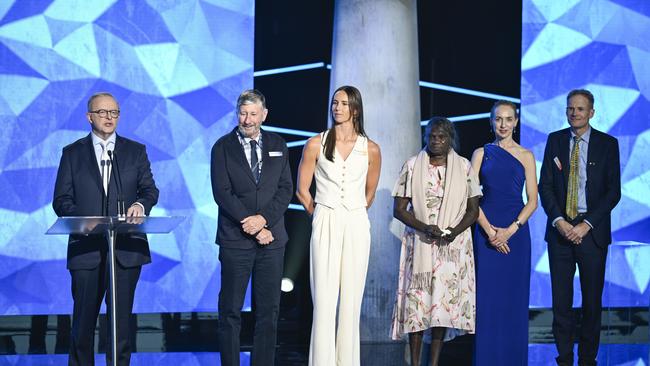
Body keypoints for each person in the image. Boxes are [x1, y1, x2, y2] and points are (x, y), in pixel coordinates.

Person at [53, 92, 159, 365]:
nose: (109, 118)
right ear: (89, 117)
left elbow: (149, 190)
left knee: (120, 325)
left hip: (125, 248)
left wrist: (140, 204)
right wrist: (82, 218)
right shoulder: (73, 153)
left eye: (114, 112)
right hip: (86, 249)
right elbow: (61, 200)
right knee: (83, 325)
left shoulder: (135, 151)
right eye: (103, 112)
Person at [295, 85, 381, 366]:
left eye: (343, 103)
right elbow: (302, 190)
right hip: (325, 218)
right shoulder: (315, 143)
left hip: (356, 222)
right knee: (324, 300)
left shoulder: (370, 149)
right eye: (334, 103)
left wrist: (353, 211)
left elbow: (369, 193)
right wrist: (318, 213)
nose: (337, 108)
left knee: (351, 302)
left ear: (355, 109)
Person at [211, 89, 293, 366]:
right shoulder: (222, 147)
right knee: (230, 311)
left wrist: (265, 221)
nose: (247, 120)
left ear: (264, 115)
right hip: (236, 240)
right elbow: (222, 193)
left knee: (268, 312)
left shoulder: (278, 144)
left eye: (253, 114)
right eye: (243, 113)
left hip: (272, 241)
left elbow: (285, 189)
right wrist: (255, 226)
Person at [539, 89, 621, 366]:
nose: (574, 113)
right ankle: (563, 358)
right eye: (570, 108)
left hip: (591, 233)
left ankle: (587, 359)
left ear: (591, 113)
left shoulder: (608, 144)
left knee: (591, 303)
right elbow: (545, 186)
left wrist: (586, 224)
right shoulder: (555, 140)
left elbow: (613, 192)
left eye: (580, 109)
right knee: (561, 303)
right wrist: (560, 221)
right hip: (560, 231)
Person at [390, 117, 480, 366]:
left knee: (441, 307)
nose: (436, 141)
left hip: (452, 246)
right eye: (432, 136)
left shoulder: (463, 167)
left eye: (442, 137)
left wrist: (453, 230)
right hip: (420, 243)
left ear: (450, 138)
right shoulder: (411, 165)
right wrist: (424, 227)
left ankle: (435, 362)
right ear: (425, 137)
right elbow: (399, 209)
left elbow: (473, 210)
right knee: (418, 306)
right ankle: (416, 362)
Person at [470, 101, 538, 365]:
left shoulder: (526, 156)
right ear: (491, 121)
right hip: (486, 229)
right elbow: (471, 195)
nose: (503, 124)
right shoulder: (480, 153)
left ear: (516, 122)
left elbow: (533, 200)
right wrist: (489, 232)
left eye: (508, 119)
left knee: (513, 301)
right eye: (498, 119)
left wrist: (509, 232)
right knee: (488, 301)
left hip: (516, 234)